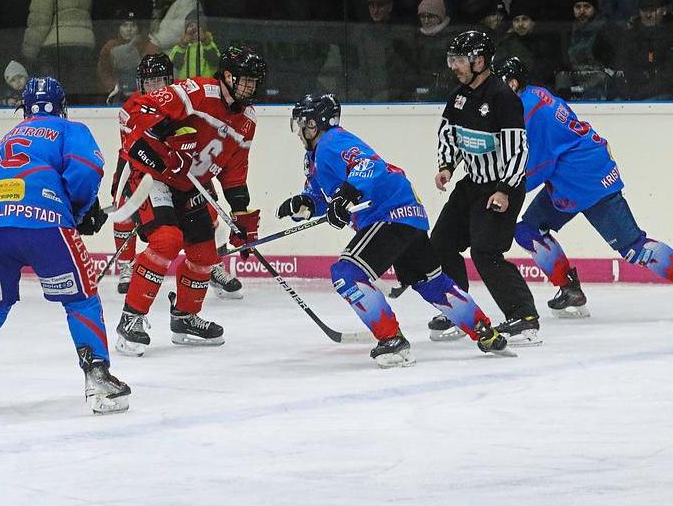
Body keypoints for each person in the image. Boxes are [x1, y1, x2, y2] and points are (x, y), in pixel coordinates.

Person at [0, 77, 130, 416]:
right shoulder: (69, 129)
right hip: (43, 222)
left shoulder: (8, 137)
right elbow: (86, 169)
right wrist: (82, 211)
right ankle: (98, 378)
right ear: (62, 106)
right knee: (81, 298)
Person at [277, 94, 510, 367]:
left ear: (315, 124)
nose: (300, 131)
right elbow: (319, 196)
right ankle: (484, 331)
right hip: (407, 214)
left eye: (303, 123)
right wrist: (304, 204)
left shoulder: (332, 141)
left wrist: (345, 197)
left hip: (388, 213)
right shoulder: (314, 155)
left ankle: (392, 341)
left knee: (346, 273)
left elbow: (368, 167)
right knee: (432, 283)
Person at [113, 45, 266, 356]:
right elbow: (135, 112)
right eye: (245, 80)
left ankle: (184, 317)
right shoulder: (196, 92)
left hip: (188, 183)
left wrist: (242, 218)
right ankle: (131, 319)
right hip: (152, 177)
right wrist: (160, 146)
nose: (250, 87)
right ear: (226, 76)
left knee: (204, 253)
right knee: (166, 240)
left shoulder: (247, 120)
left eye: (254, 82)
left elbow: (234, 176)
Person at [493, 56, 672, 319]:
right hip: (570, 180)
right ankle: (569, 290)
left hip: (588, 180)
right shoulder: (533, 95)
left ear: (511, 83)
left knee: (635, 248)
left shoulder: (528, 112)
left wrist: (504, 191)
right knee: (529, 230)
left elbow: (536, 166)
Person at [428, 30, 541, 346]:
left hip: (502, 187)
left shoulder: (503, 97)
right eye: (452, 59)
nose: (454, 66)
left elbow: (518, 149)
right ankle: (458, 309)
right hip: (471, 186)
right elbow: (449, 134)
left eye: (459, 60)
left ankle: (524, 316)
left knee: (485, 251)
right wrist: (447, 166)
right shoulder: (460, 96)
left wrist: (504, 189)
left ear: (479, 60)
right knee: (440, 243)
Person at [111, 53, 176, 295]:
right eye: (148, 82)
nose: (153, 87)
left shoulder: (184, 101)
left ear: (169, 80)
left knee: (207, 210)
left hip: (181, 170)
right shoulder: (130, 109)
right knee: (123, 207)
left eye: (159, 81)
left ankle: (211, 264)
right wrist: (120, 180)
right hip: (145, 172)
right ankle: (126, 265)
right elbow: (129, 151)